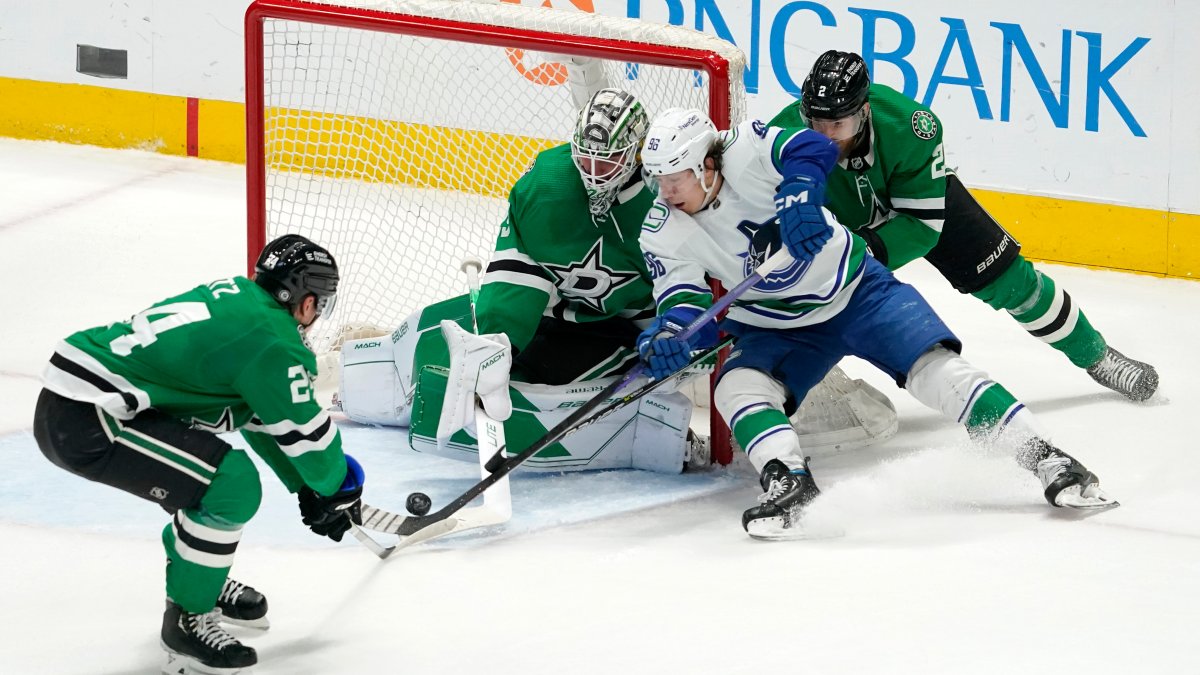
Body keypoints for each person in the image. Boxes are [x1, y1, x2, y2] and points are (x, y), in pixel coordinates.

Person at [636, 107, 1117, 539]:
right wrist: (673, 333)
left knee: (936, 370)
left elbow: (810, 146)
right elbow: (681, 297)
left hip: (856, 290)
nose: (666, 191)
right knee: (735, 388)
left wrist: (801, 193)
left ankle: (1047, 457)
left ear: (707, 163)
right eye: (658, 179)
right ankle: (790, 483)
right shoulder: (660, 228)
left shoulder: (744, 147)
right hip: (773, 324)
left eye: (675, 176)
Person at [33, 234, 365, 672]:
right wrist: (335, 486)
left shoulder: (240, 300)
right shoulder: (273, 342)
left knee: (210, 474)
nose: (318, 314)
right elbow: (313, 445)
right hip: (88, 420)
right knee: (230, 484)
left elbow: (258, 414)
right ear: (305, 299)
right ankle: (187, 620)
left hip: (78, 397)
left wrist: (302, 484)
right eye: (320, 302)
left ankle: (200, 573)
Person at [337, 87, 710, 473]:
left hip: (622, 328)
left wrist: (671, 336)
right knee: (460, 343)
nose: (594, 173)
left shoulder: (664, 201)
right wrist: (496, 343)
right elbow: (518, 274)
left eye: (609, 161)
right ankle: (374, 380)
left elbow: (686, 285)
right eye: (585, 157)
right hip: (552, 309)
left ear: (636, 153)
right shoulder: (546, 184)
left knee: (546, 374)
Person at [768, 50, 1158, 402]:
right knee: (802, 295)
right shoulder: (780, 136)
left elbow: (921, 227)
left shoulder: (911, 125)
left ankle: (1096, 354)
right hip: (840, 213)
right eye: (817, 122)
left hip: (916, 204)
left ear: (865, 111)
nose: (826, 136)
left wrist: (862, 251)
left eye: (839, 124)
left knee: (1013, 283)